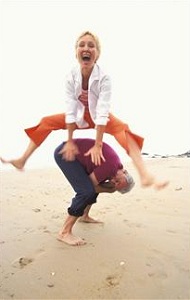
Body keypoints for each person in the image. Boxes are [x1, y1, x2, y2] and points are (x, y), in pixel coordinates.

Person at [1, 30, 168, 189]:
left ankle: (145, 175)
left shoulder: (104, 78)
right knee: (46, 122)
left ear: (97, 53)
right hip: (80, 116)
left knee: (124, 130)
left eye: (91, 45)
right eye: (82, 45)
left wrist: (98, 144)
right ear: (76, 52)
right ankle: (23, 160)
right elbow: (71, 108)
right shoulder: (70, 77)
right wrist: (70, 140)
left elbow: (102, 112)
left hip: (99, 117)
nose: (86, 48)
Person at [54, 138, 135, 246]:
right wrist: (109, 190)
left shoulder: (115, 168)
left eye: (115, 184)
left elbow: (94, 185)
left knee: (95, 185)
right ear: (125, 171)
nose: (112, 181)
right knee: (86, 191)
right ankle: (64, 232)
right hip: (65, 152)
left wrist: (109, 188)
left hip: (75, 155)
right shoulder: (111, 167)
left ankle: (84, 216)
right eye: (117, 181)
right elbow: (88, 187)